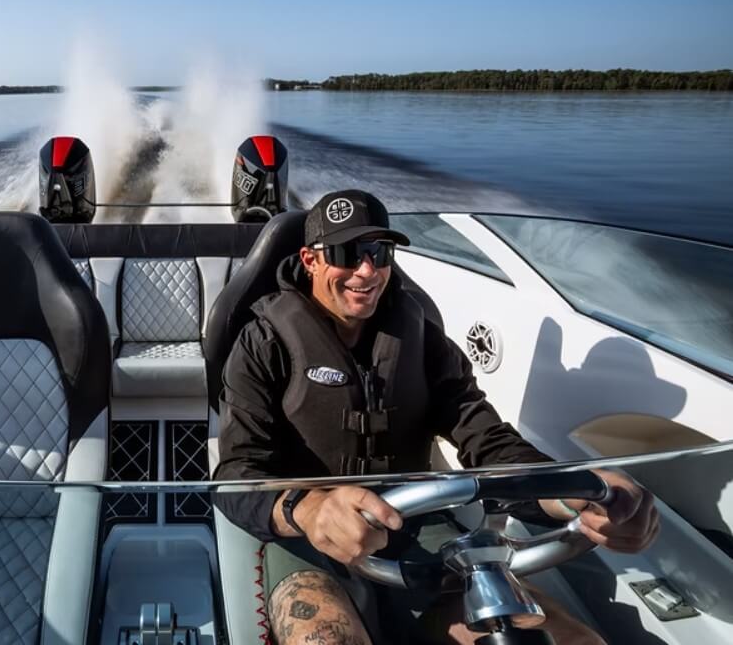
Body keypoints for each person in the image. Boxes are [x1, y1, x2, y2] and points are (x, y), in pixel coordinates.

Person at [213, 189, 660, 645]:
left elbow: (488, 441)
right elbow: (235, 474)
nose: (366, 270)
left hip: (415, 525)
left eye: (379, 252)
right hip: (307, 539)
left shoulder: (424, 342)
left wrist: (573, 492)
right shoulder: (262, 343)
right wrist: (309, 509)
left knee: (572, 639)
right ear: (310, 260)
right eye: (347, 253)